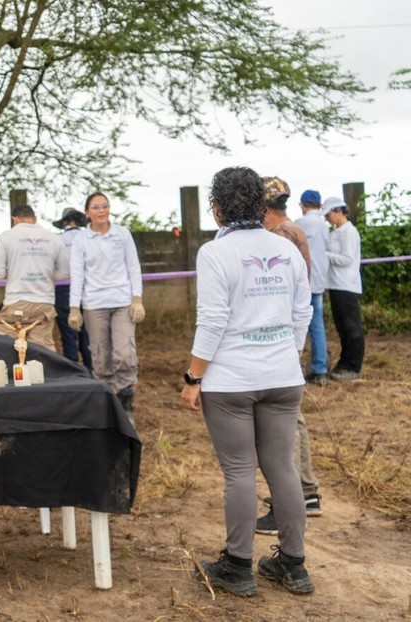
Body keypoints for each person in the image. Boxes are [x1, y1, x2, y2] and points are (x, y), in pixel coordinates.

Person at [181, 166, 313, 598]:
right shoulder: (286, 248)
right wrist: (285, 354)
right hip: (283, 376)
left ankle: (238, 568)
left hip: (231, 380)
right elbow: (303, 311)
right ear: (260, 205)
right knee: (282, 467)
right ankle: (293, 566)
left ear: (217, 210)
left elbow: (213, 320)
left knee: (239, 472)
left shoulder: (214, 253)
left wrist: (192, 376)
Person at [254, 182, 325, 535]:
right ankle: (307, 491)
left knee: (284, 424)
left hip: (278, 339)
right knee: (293, 419)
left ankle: (290, 499)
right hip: (288, 337)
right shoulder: (291, 230)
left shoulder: (279, 236)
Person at [67, 192, 144, 417]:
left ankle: (126, 399)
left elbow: (133, 267)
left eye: (105, 206)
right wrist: (74, 308)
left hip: (122, 302)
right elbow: (77, 274)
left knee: (124, 353)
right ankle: (108, 403)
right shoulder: (81, 240)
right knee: (100, 357)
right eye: (96, 207)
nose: (101, 210)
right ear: (87, 212)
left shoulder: (122, 234)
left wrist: (137, 299)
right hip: (94, 303)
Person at [0, 204, 68, 352]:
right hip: (44, 303)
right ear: (35, 218)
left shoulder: (7, 236)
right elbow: (64, 272)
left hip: (16, 302)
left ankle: (12, 374)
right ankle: (46, 373)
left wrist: (15, 273)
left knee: (4, 344)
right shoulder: (53, 238)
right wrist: (46, 276)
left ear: (15, 219)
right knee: (43, 350)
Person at [324, 195, 365, 381]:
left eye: (329, 214)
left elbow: (347, 259)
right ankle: (344, 362)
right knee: (342, 327)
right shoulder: (335, 232)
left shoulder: (349, 232)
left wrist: (325, 255)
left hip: (346, 285)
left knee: (351, 327)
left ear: (339, 212)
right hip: (335, 284)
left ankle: (353, 366)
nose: (327, 218)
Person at [295, 189, 331, 385]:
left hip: (304, 282)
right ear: (319, 205)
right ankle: (320, 368)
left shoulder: (301, 223)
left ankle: (294, 368)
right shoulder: (324, 225)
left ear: (302, 205)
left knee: (295, 324)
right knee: (317, 326)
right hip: (319, 280)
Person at [52, 207, 92, 371]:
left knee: (68, 333)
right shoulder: (88, 238)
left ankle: (73, 369)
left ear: (64, 222)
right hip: (88, 288)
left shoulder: (57, 240)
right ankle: (91, 368)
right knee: (88, 332)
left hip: (64, 289)